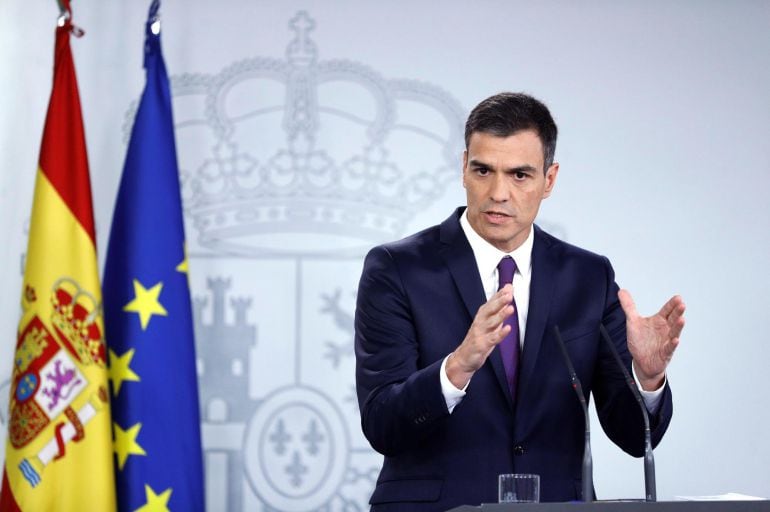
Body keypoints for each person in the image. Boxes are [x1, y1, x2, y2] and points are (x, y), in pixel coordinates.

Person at [354, 92, 686, 510]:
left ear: (549, 180)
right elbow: (382, 424)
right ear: (463, 169)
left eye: (520, 175)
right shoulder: (398, 269)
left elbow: (635, 438)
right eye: (483, 170)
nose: (498, 193)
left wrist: (648, 380)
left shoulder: (587, 277)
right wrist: (456, 368)